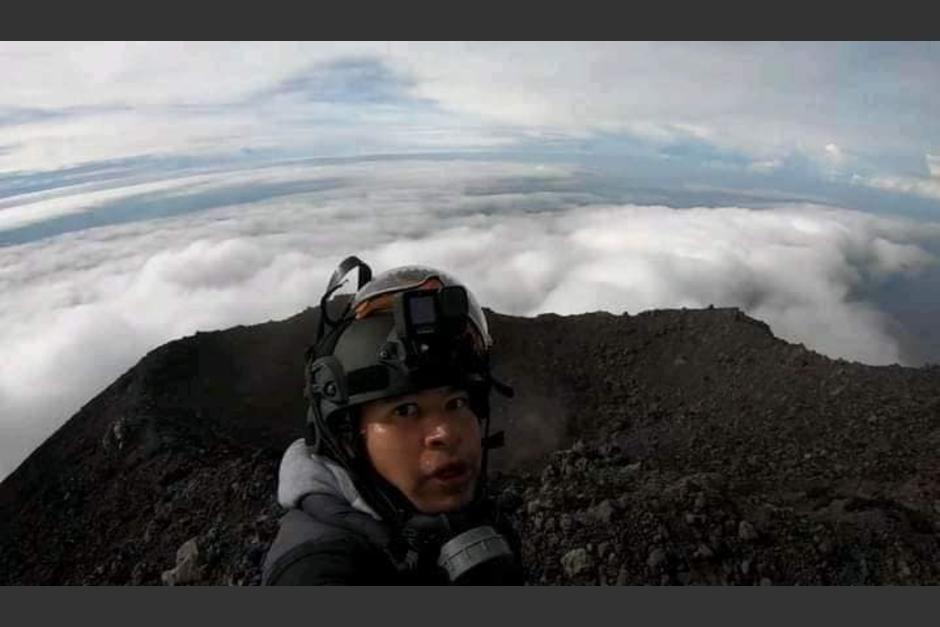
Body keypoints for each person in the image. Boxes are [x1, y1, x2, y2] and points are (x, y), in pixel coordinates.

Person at [262, 256, 523, 585]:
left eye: (456, 402)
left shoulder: (459, 517)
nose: (443, 433)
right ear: (348, 436)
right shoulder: (318, 570)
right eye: (405, 410)